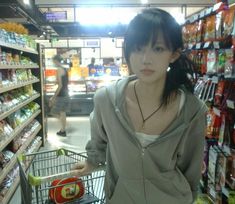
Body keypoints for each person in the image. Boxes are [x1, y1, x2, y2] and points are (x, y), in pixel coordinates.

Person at [72, 8, 207, 204]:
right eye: (138, 48)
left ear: (174, 54)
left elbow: (191, 169)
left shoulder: (192, 111)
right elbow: (99, 139)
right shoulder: (106, 100)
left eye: (158, 48)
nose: (146, 59)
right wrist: (92, 161)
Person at [49, 54, 70, 137]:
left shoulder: (58, 69)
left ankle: (63, 125)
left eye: (53, 61)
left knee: (53, 112)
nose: (53, 63)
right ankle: (63, 130)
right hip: (66, 93)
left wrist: (53, 97)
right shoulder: (65, 69)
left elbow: (60, 85)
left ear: (56, 61)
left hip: (61, 95)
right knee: (63, 112)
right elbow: (64, 82)